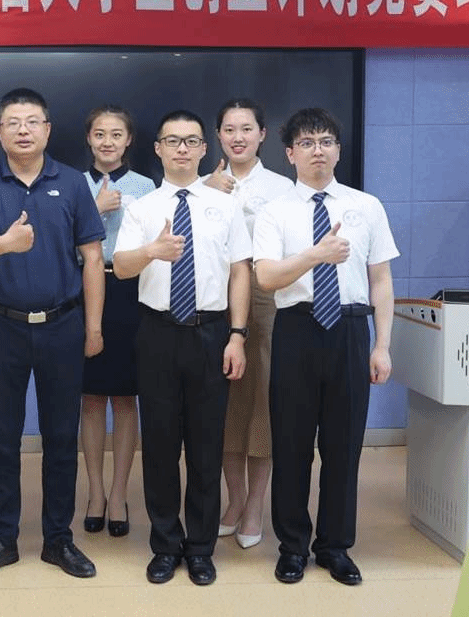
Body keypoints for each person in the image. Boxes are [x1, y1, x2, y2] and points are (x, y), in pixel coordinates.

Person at [0, 88, 106, 580]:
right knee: (2, 440)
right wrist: (7, 242)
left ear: (47, 129)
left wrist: (93, 327)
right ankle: (2, 539)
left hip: (63, 325)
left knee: (61, 438)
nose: (23, 130)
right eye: (13, 123)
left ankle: (58, 539)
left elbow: (92, 259)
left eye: (33, 121)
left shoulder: (73, 182)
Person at [252, 108, 397, 587]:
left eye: (327, 141)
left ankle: (335, 546)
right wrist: (316, 254)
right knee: (291, 445)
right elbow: (267, 277)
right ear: (290, 153)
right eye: (308, 142)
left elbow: (381, 280)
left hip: (350, 331)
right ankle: (292, 547)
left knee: (343, 446)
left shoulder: (366, 206)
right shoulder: (275, 211)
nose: (318, 150)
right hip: (296, 328)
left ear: (338, 150)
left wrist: (382, 345)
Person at [113, 110, 250, 586]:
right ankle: (165, 545)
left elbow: (240, 271)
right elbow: (122, 267)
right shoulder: (143, 208)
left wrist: (237, 335)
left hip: (212, 333)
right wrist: (152, 251)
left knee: (206, 447)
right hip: (158, 333)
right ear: (157, 148)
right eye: (173, 141)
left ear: (204, 149)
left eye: (191, 141)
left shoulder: (226, 206)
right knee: (160, 445)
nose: (182, 149)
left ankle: (201, 548)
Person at [204, 99, 294, 549]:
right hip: (211, 297)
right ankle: (234, 499)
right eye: (228, 129)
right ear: (218, 136)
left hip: (265, 298)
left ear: (262, 134)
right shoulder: (201, 185)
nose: (237, 137)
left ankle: (256, 503)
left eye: (246, 129)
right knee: (221, 405)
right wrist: (209, 192)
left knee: (261, 403)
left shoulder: (282, 188)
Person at [79, 106, 155, 538]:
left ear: (129, 141)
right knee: (90, 398)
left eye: (116, 134)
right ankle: (95, 492)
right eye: (99, 134)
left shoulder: (146, 186)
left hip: (130, 292)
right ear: (88, 139)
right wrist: (94, 208)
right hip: (82, 289)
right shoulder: (73, 184)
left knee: (126, 399)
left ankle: (120, 493)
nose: (107, 142)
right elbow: (57, 240)